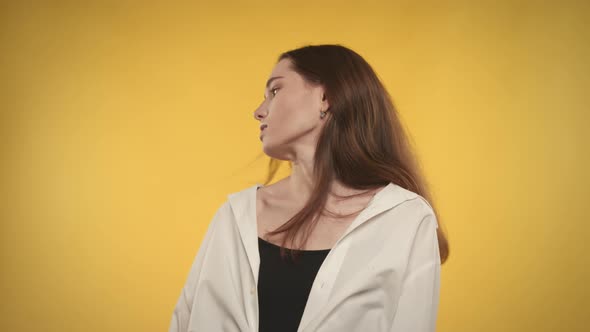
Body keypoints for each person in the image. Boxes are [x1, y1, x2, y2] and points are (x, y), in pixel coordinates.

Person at [169, 44, 450, 332]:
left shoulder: (406, 218)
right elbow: (183, 322)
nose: (258, 111)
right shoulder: (234, 216)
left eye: (275, 91)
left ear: (325, 97)